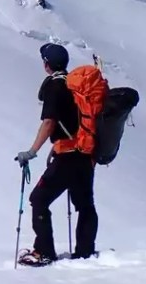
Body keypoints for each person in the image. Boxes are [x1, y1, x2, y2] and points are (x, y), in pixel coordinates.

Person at [15, 43, 99, 266]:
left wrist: (32, 151)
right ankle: (85, 253)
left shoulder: (55, 86)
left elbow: (49, 122)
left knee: (39, 199)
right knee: (85, 204)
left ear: (47, 64)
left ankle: (44, 252)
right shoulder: (75, 85)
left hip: (68, 156)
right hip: (85, 154)